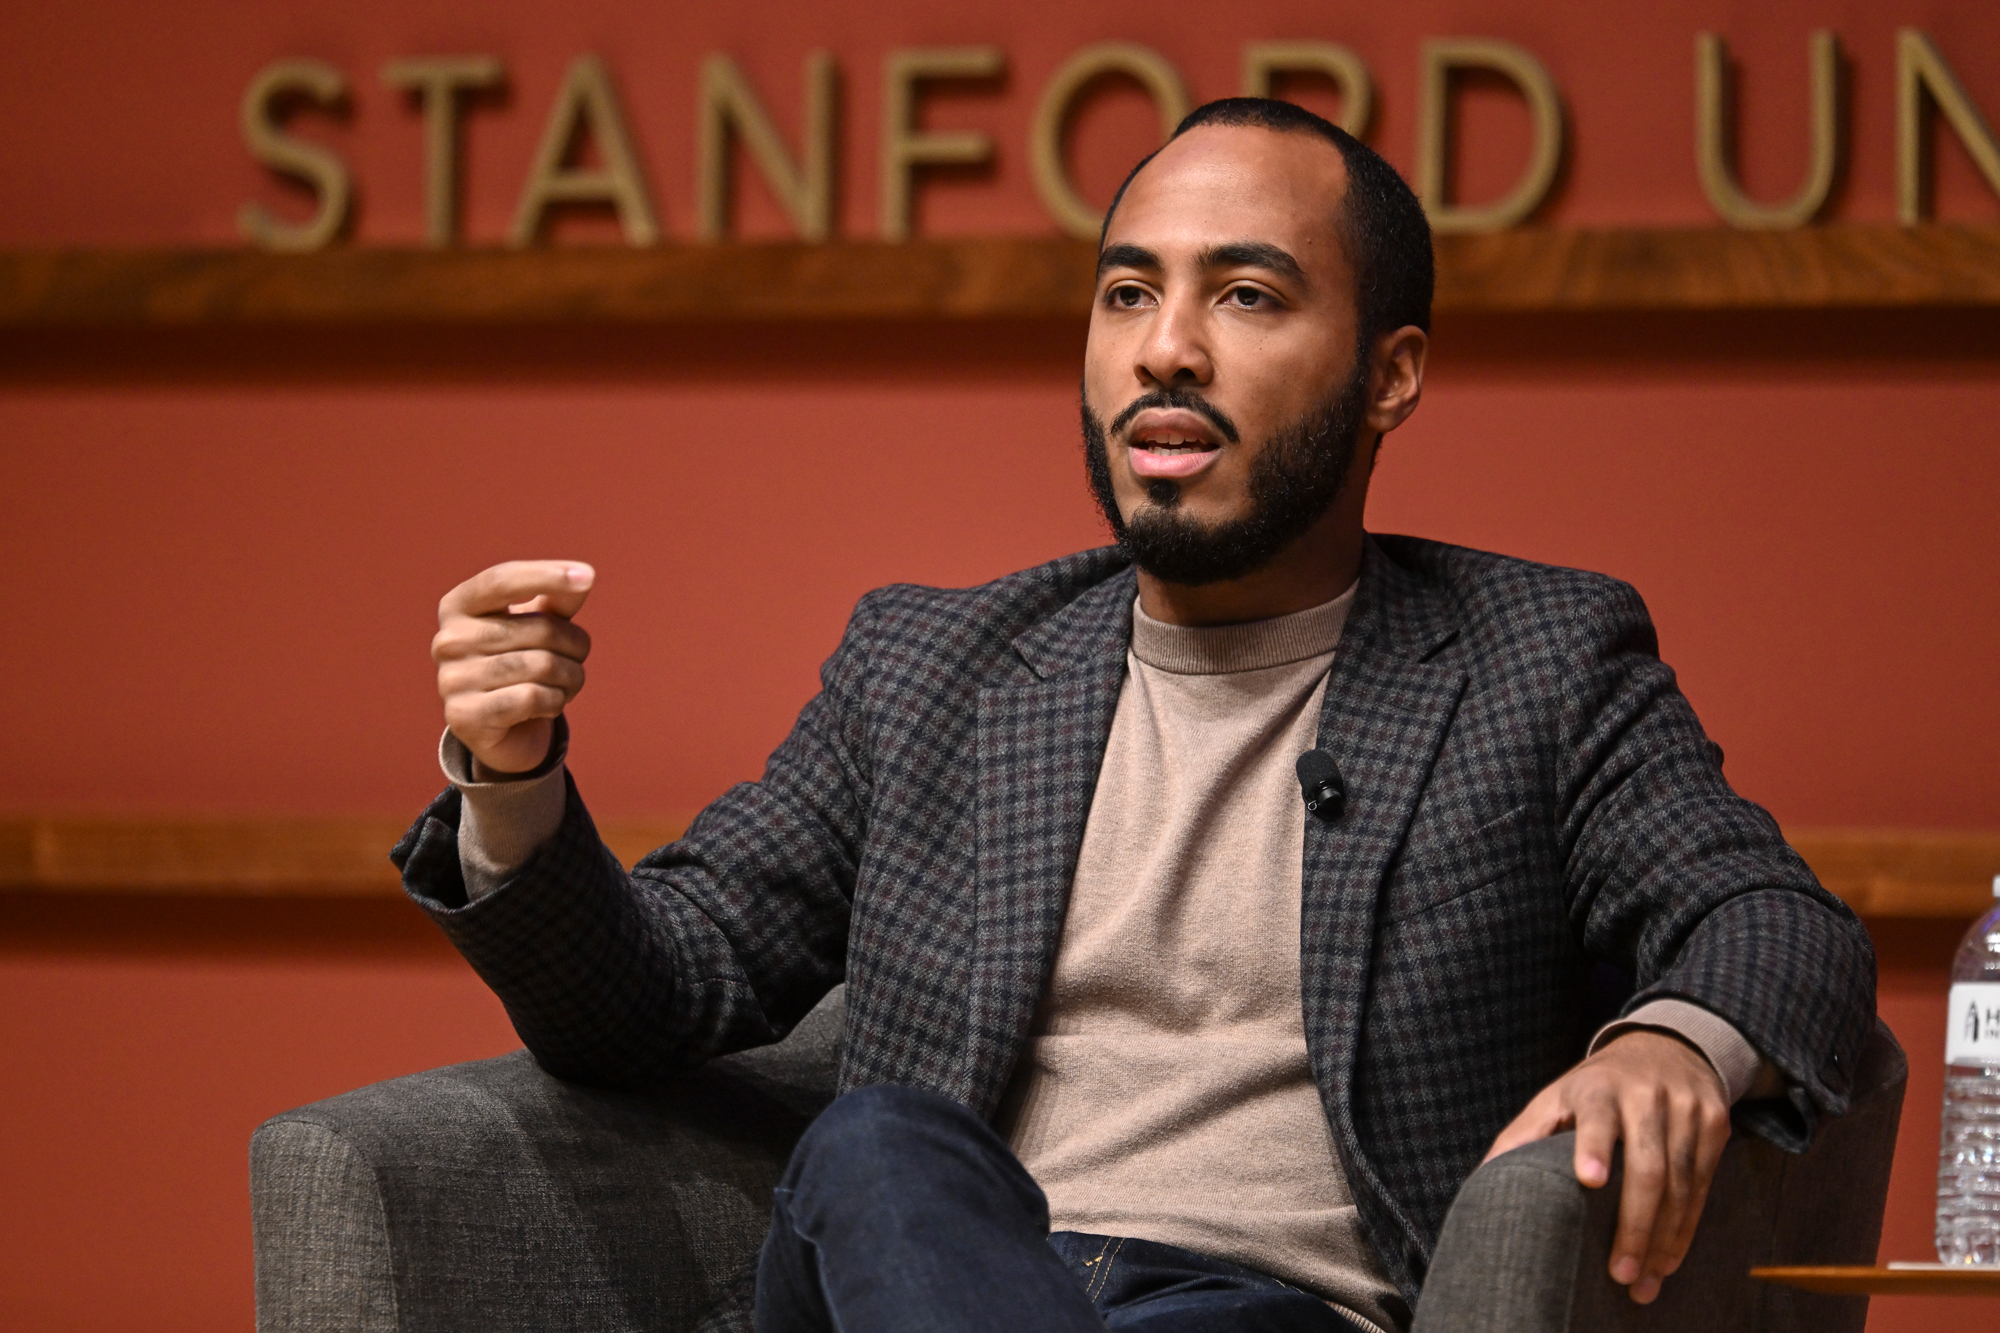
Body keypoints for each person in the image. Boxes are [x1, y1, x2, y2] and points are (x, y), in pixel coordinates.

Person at [400, 99, 1875, 1333]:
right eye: (1127, 292)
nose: (1167, 347)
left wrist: (1669, 1046)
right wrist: (511, 781)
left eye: (1245, 295)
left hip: (1259, 1313)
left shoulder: (1536, 659)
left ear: (1391, 376)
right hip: (931, 1270)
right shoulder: (934, 663)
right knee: (883, 1147)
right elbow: (653, 989)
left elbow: (1773, 917)